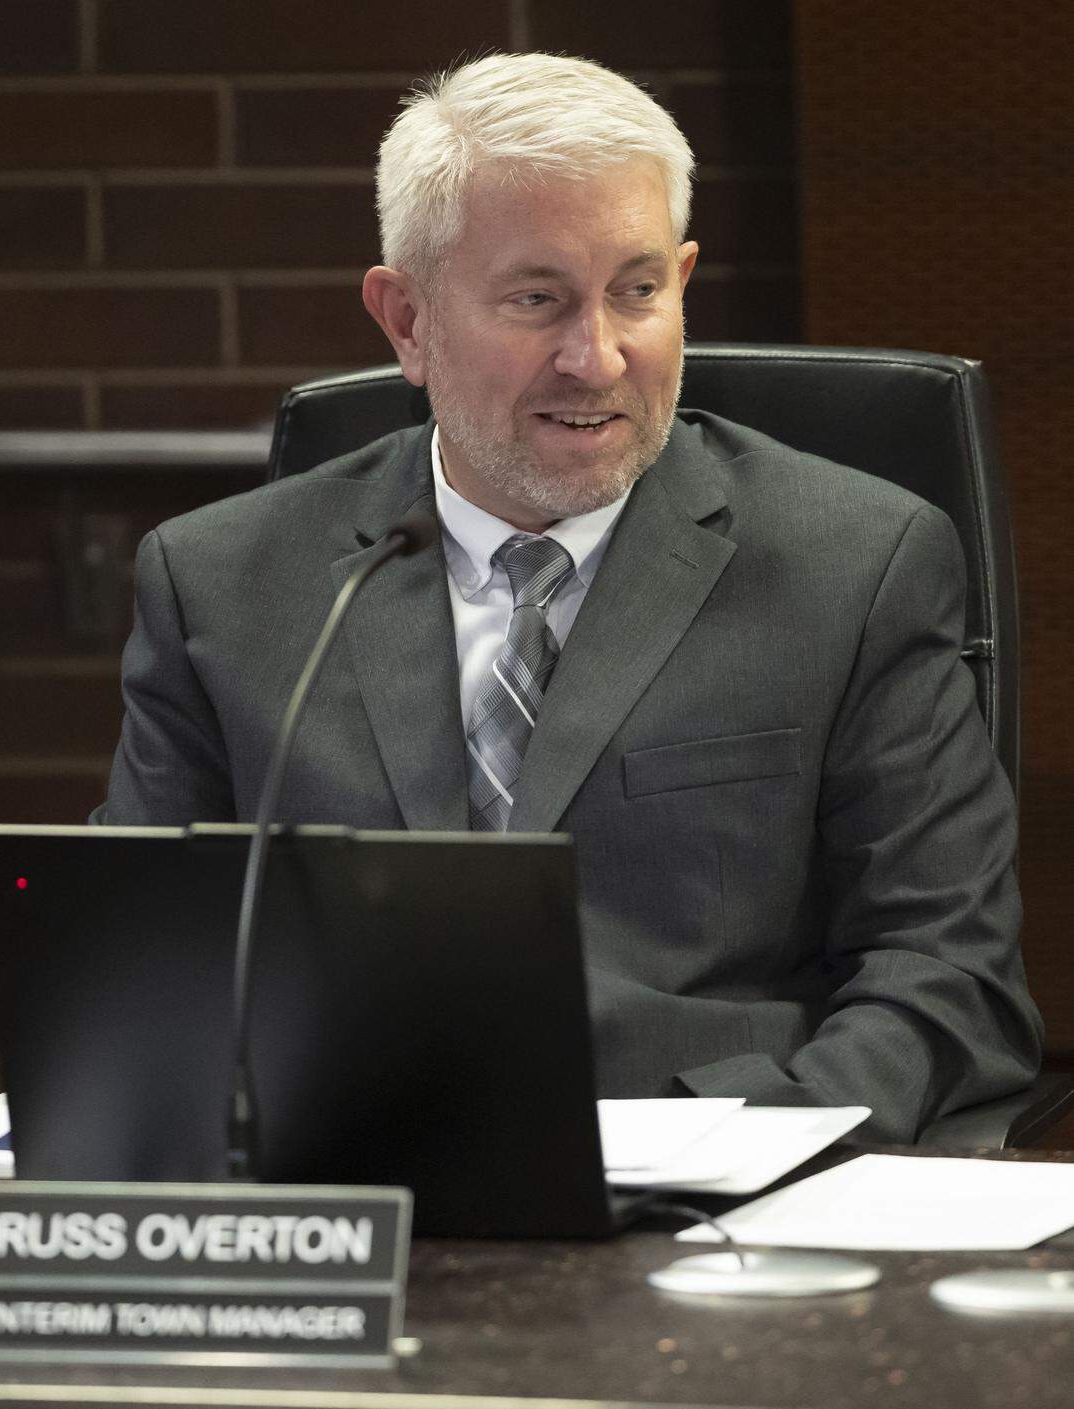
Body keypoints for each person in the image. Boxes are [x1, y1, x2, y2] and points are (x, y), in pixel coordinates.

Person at [96, 53, 1042, 1141]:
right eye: (538, 299)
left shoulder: (859, 562)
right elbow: (136, 964)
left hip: (717, 1206)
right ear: (406, 319)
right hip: (345, 1186)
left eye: (638, 291)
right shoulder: (220, 580)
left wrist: (726, 1150)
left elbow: (950, 980)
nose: (596, 358)